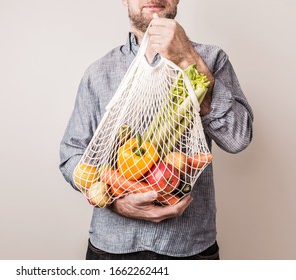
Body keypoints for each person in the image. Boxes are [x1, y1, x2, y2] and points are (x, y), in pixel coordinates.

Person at [59, 0, 253, 260]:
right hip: (112, 246)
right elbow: (71, 154)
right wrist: (114, 201)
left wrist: (188, 58)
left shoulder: (210, 60)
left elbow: (237, 138)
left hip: (188, 248)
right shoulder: (99, 72)